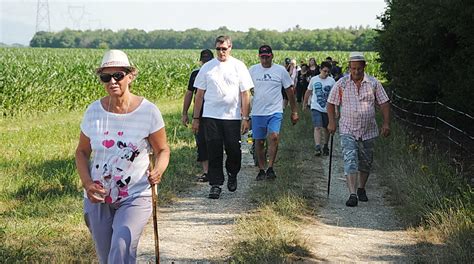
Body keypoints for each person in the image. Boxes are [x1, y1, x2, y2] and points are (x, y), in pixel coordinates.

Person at [75, 49, 170, 262]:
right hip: (97, 195)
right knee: (106, 255)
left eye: (118, 75)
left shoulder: (148, 111)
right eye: (106, 77)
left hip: (136, 194)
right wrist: (87, 183)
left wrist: (159, 170)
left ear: (130, 76)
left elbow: (163, 150)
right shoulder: (93, 112)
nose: (112, 81)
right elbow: (82, 152)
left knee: (121, 247)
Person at [191, 36, 253, 199]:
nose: (221, 52)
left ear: (230, 48)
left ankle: (232, 173)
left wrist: (245, 117)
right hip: (210, 116)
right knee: (214, 150)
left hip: (232, 117)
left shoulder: (238, 66)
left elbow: (245, 94)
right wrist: (196, 119)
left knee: (234, 149)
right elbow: (199, 95)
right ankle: (216, 184)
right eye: (218, 49)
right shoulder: (207, 68)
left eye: (224, 49)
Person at [327, 52, 391, 207]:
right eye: (353, 68)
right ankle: (352, 193)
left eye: (359, 69)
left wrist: (386, 123)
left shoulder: (374, 83)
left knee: (366, 161)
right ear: (349, 67)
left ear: (364, 67)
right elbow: (331, 103)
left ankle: (361, 188)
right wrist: (331, 122)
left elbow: (384, 103)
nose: (356, 72)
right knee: (350, 160)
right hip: (347, 128)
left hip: (368, 130)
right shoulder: (341, 84)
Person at [249, 45, 299, 181]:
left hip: (274, 110)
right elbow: (245, 90)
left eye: (267, 57)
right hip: (258, 112)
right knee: (258, 142)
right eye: (262, 57)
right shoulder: (252, 70)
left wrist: (294, 111)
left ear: (272, 56)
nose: (265, 60)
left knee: (274, 137)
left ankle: (270, 167)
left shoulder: (280, 70)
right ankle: (261, 169)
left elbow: (289, 91)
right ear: (259, 56)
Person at [181, 49, 214, 182]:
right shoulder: (195, 74)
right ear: (201, 61)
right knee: (201, 142)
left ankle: (215, 169)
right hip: (199, 112)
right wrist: (184, 113)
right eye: (204, 61)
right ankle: (206, 172)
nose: (205, 63)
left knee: (214, 141)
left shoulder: (216, 73)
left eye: (208, 61)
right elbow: (189, 93)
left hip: (214, 112)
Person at [303, 61, 336, 156]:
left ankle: (325, 145)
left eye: (328, 72)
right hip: (315, 107)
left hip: (327, 108)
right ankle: (317, 147)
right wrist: (305, 103)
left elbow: (335, 96)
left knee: (326, 128)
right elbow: (308, 91)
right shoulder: (314, 79)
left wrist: (336, 109)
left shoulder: (331, 81)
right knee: (317, 127)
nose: (326, 73)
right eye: (324, 71)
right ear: (320, 69)